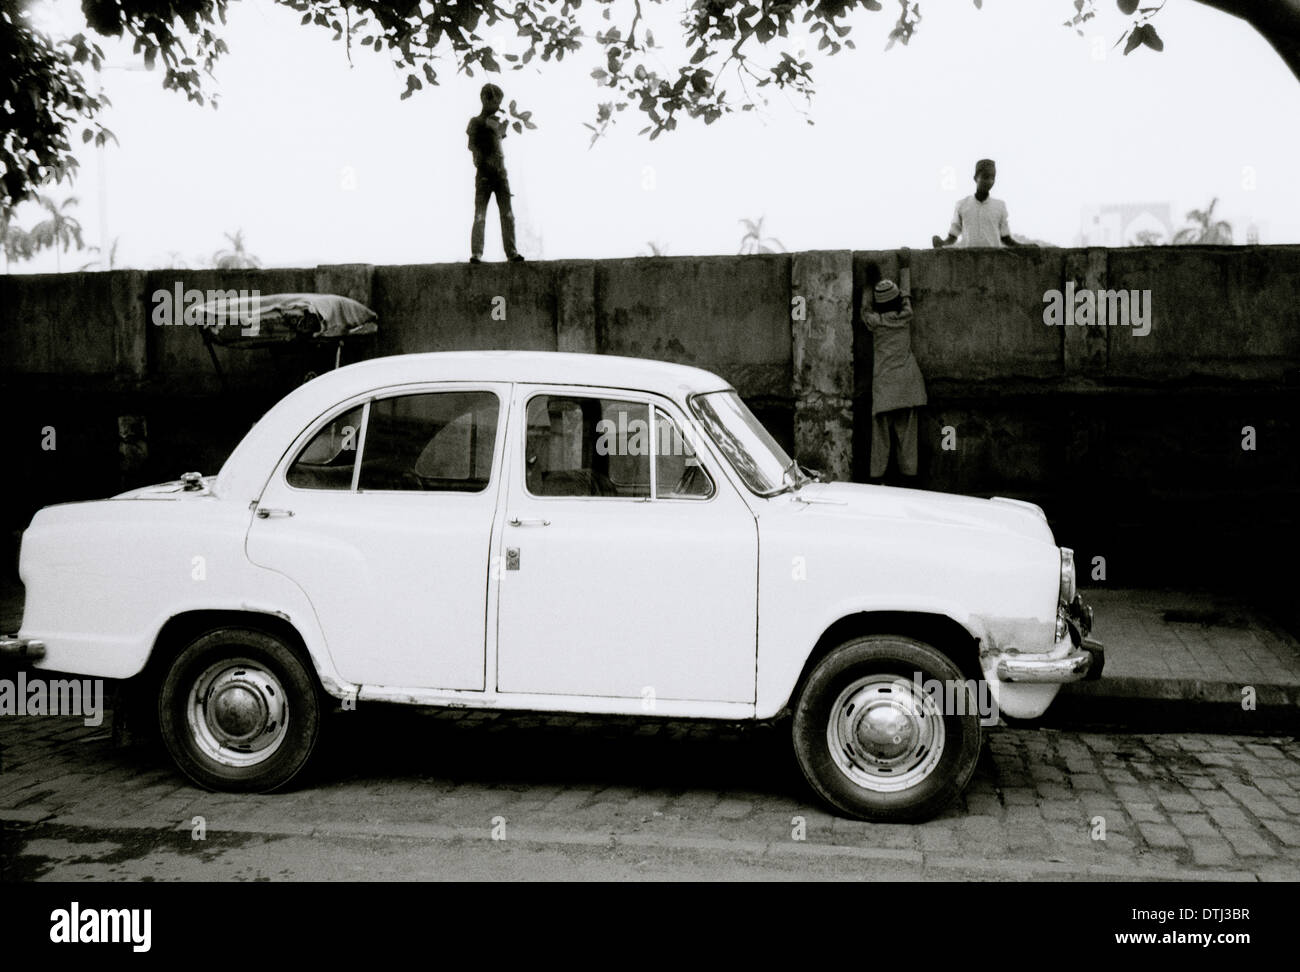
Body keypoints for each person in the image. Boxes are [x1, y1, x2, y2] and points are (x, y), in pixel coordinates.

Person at [863, 249, 926, 483]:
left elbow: (865, 310)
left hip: (884, 390)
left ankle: (877, 480)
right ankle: (910, 481)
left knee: (880, 442)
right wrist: (904, 267)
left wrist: (870, 283)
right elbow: (906, 297)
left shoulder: (876, 323)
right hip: (909, 387)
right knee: (907, 441)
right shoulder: (905, 317)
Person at [467, 83, 524, 263]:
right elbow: (471, 145)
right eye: (495, 103)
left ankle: (511, 252)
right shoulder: (475, 122)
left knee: (507, 214)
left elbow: (499, 142)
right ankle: (477, 252)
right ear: (485, 100)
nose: (498, 107)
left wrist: (499, 128)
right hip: (484, 173)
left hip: (501, 173)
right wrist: (479, 158)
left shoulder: (497, 122)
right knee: (480, 215)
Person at [931, 159, 1024, 248]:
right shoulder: (962, 205)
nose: (989, 181)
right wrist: (942, 243)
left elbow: (1005, 238)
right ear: (975, 178)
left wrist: (1025, 247)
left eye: (992, 177)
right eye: (985, 177)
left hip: (993, 261)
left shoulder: (1000, 206)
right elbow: (953, 235)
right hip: (969, 261)